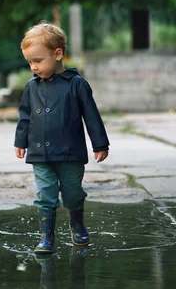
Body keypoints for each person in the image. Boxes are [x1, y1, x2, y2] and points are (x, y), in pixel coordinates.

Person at [14, 22, 109, 255]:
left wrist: (100, 143)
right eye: (29, 62)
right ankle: (46, 235)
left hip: (70, 152)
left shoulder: (76, 84)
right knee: (45, 194)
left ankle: (77, 223)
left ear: (57, 54)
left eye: (37, 61)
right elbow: (25, 116)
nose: (33, 67)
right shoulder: (31, 87)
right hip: (40, 154)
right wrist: (20, 140)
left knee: (73, 191)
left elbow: (91, 115)